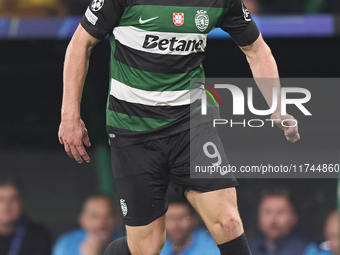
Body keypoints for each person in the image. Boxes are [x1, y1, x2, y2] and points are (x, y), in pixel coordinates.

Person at [58, 0, 300, 253]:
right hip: (133, 130)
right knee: (148, 246)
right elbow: (80, 44)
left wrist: (277, 106)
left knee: (228, 222)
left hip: (192, 126)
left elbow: (256, 49)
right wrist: (69, 115)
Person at [52, 195, 123, 255]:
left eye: (107, 215)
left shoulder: (126, 244)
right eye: (94, 216)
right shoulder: (67, 243)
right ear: (82, 220)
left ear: (116, 219)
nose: (101, 221)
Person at [250, 189, 313, 255]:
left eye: (280, 212)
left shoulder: (309, 250)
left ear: (294, 217)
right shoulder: (248, 250)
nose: (273, 220)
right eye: (267, 212)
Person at [0, 176, 51, 255]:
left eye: (13, 199)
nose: (6, 207)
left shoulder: (38, 235)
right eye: (1, 200)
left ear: (21, 202)